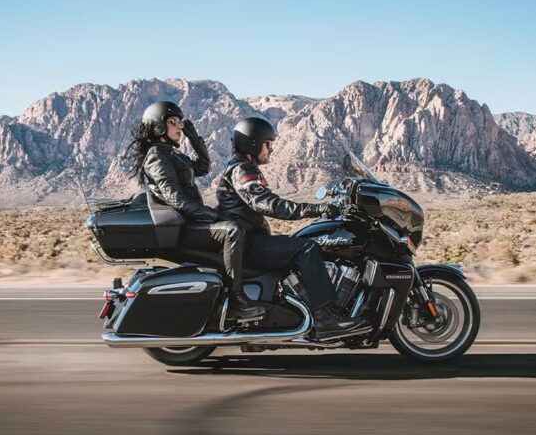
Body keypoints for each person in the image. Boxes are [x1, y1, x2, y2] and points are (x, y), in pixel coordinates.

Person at [216, 116, 370, 340]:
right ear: (253, 143)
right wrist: (315, 210)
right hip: (247, 244)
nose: (271, 149)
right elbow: (268, 203)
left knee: (302, 243)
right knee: (307, 249)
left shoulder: (242, 167)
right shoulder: (242, 170)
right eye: (267, 144)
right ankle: (324, 317)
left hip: (249, 240)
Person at [124, 101, 265, 320]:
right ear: (158, 127)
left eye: (180, 121)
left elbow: (203, 166)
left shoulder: (172, 154)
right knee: (232, 230)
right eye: (173, 122)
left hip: (191, 220)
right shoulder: (156, 157)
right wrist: (211, 215)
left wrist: (193, 137)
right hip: (184, 226)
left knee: (242, 219)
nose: (179, 126)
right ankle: (237, 300)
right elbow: (175, 199)